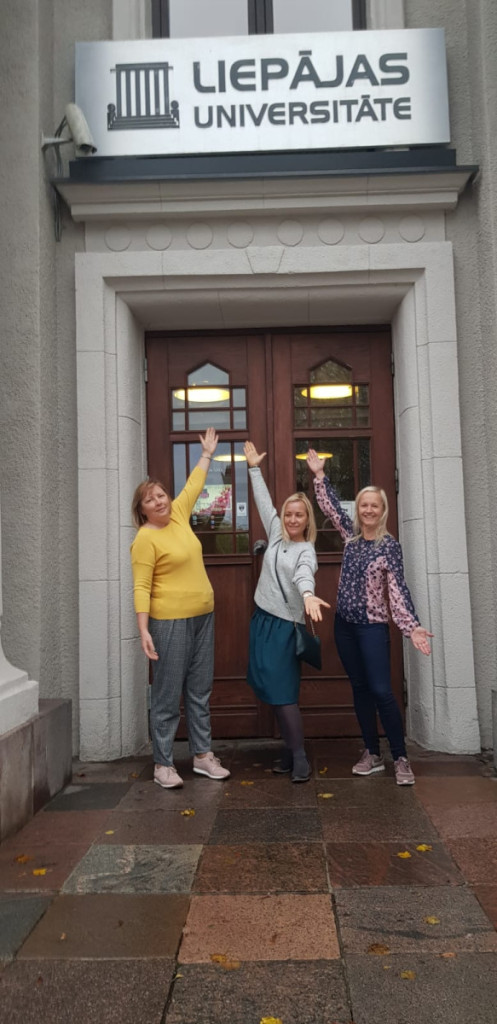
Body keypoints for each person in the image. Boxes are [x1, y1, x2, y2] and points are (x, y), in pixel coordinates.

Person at [306, 449, 433, 787]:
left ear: (382, 510)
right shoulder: (350, 537)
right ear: (359, 510)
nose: (368, 510)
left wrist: (411, 627)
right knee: (360, 688)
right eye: (364, 505)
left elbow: (398, 590)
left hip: (372, 628)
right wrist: (320, 476)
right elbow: (331, 507)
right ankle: (372, 753)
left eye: (374, 505)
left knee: (381, 690)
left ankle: (400, 757)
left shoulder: (389, 547)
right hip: (344, 626)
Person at [130, 427, 230, 789]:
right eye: (150, 500)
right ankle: (163, 764)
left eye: (161, 495)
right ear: (142, 510)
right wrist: (143, 629)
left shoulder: (179, 515)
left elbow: (194, 485)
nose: (159, 502)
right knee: (167, 693)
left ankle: (202, 756)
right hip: (169, 621)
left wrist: (206, 454)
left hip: (203, 615)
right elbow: (141, 586)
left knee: (200, 690)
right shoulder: (145, 539)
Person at [244, 441, 330, 782]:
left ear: (307, 519)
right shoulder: (276, 534)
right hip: (262, 621)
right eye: (289, 514)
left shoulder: (306, 550)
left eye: (299, 515)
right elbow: (263, 501)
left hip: (284, 629)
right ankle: (288, 750)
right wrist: (253, 468)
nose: (293, 519)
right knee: (273, 691)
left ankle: (299, 758)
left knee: (283, 694)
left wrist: (308, 595)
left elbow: (304, 574)